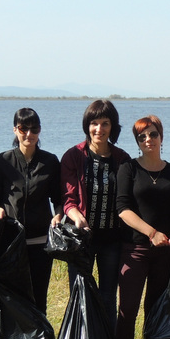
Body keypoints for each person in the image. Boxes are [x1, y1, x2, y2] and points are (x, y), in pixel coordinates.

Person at [116, 115, 170, 339]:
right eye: (142, 136)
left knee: (158, 312)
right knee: (127, 312)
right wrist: (151, 233)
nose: (148, 140)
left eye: (153, 134)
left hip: (166, 252)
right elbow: (123, 209)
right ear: (137, 141)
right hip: (135, 250)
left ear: (161, 136)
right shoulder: (129, 168)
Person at [61, 99, 131, 326]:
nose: (99, 129)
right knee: (79, 294)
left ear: (113, 127)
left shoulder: (122, 159)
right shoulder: (74, 156)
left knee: (108, 296)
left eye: (105, 123)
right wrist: (77, 217)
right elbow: (68, 199)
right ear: (86, 125)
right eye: (94, 123)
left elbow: (127, 200)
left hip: (112, 240)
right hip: (82, 239)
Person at [0, 108, 63, 314]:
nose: (29, 134)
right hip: (10, 243)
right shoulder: (1, 161)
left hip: (40, 243)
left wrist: (58, 215)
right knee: (11, 301)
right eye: (23, 128)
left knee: (39, 301)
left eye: (34, 129)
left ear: (40, 131)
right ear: (15, 130)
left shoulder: (50, 161)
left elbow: (58, 199)